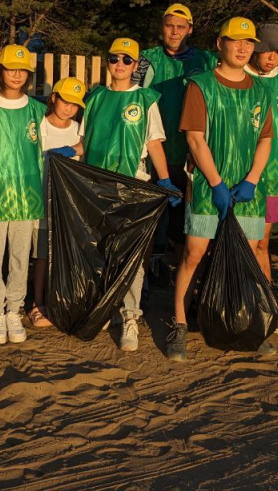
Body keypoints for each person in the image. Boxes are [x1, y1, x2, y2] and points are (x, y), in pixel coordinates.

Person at [167, 17, 275, 362]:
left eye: (249, 43)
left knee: (250, 255)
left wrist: (252, 179)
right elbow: (195, 139)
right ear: (220, 43)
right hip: (208, 188)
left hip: (247, 190)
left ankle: (252, 324)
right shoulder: (200, 85)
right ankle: (180, 325)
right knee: (193, 254)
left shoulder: (262, 90)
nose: (243, 48)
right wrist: (216, 183)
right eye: (235, 41)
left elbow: (266, 139)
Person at [81, 38, 180, 352]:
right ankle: (106, 307)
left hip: (133, 185)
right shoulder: (95, 97)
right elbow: (84, 141)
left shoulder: (146, 99)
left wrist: (164, 180)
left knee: (132, 257)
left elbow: (153, 144)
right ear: (107, 61)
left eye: (127, 60)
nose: (120, 64)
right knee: (102, 250)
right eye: (114, 58)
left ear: (136, 65)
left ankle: (130, 316)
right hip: (98, 186)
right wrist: (64, 153)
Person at [138, 4, 217, 272]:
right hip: (154, 149)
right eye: (170, 26)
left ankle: (184, 277)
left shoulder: (206, 61)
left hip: (192, 151)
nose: (175, 32)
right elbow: (131, 93)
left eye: (181, 27)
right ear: (162, 27)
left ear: (190, 30)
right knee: (148, 217)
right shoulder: (146, 58)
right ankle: (143, 275)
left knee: (188, 219)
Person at [0, 45, 45, 346]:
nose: (17, 74)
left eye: (23, 70)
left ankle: (13, 309)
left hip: (26, 194)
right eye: (10, 68)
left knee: (20, 257)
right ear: (0, 71)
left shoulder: (36, 109)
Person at [29, 77, 86, 329]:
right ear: (53, 98)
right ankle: (37, 303)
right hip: (40, 200)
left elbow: (86, 150)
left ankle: (61, 300)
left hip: (66, 206)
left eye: (75, 104)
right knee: (42, 255)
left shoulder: (77, 130)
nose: (69, 108)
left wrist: (75, 148)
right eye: (65, 101)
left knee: (64, 254)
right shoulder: (39, 125)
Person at [245, 23, 278, 282]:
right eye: (267, 51)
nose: (273, 57)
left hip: (273, 174)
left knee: (263, 243)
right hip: (240, 171)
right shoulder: (239, 76)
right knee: (237, 240)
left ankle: (264, 304)